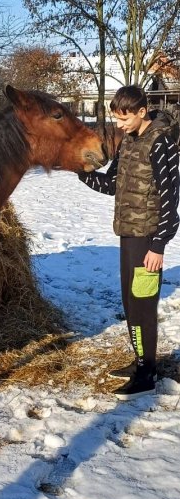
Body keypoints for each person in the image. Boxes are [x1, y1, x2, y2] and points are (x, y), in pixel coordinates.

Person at [79, 85, 179, 399]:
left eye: (124, 119)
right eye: (116, 119)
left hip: (148, 239)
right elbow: (111, 184)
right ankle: (140, 363)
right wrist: (80, 171)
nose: (119, 125)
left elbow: (170, 198)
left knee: (143, 307)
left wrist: (159, 245)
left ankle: (146, 374)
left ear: (141, 111)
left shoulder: (162, 143)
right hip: (128, 236)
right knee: (130, 305)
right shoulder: (128, 142)